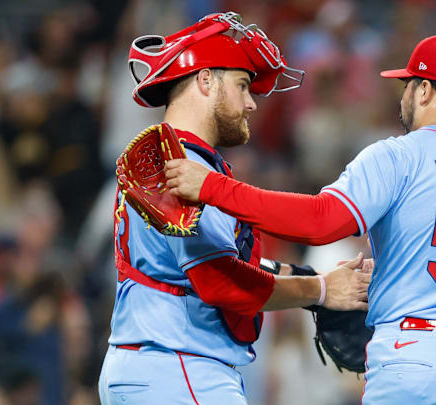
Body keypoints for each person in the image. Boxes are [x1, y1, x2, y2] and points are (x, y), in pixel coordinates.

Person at [165, 35, 436, 404]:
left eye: (408, 84)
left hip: (416, 354)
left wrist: (213, 187)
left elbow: (320, 221)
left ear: (425, 90)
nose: (405, 95)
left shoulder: (398, 156)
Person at [98, 13, 371, 405]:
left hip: (155, 365)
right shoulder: (182, 166)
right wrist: (321, 290)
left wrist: (312, 279)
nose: (250, 104)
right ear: (205, 80)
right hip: (179, 367)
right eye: (243, 86)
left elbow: (219, 263)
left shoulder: (172, 157)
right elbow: (219, 281)